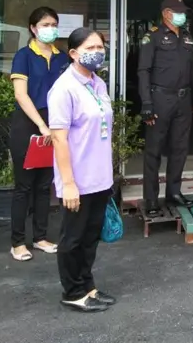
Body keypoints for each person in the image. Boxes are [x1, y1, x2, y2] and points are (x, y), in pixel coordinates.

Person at [48, 28, 115, 312]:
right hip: (77, 179)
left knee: (90, 237)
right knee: (73, 239)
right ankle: (73, 292)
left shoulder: (98, 83)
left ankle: (88, 286)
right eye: (90, 48)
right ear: (74, 53)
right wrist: (68, 183)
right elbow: (59, 139)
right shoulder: (64, 88)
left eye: (100, 47)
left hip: (100, 177)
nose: (97, 52)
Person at [8, 7, 69, 261]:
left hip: (54, 124)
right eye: (45, 24)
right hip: (28, 124)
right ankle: (17, 242)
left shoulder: (62, 57)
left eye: (54, 24)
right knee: (24, 186)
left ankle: (40, 237)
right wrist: (42, 125)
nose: (50, 29)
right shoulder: (24, 56)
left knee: (44, 185)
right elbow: (20, 94)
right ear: (33, 28)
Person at [137, 0, 193, 216]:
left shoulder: (187, 37)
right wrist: (146, 103)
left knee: (180, 148)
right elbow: (143, 71)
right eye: (178, 12)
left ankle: (173, 192)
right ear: (166, 13)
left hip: (183, 99)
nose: (182, 16)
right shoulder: (153, 37)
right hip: (160, 99)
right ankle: (151, 199)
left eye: (183, 12)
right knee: (154, 150)